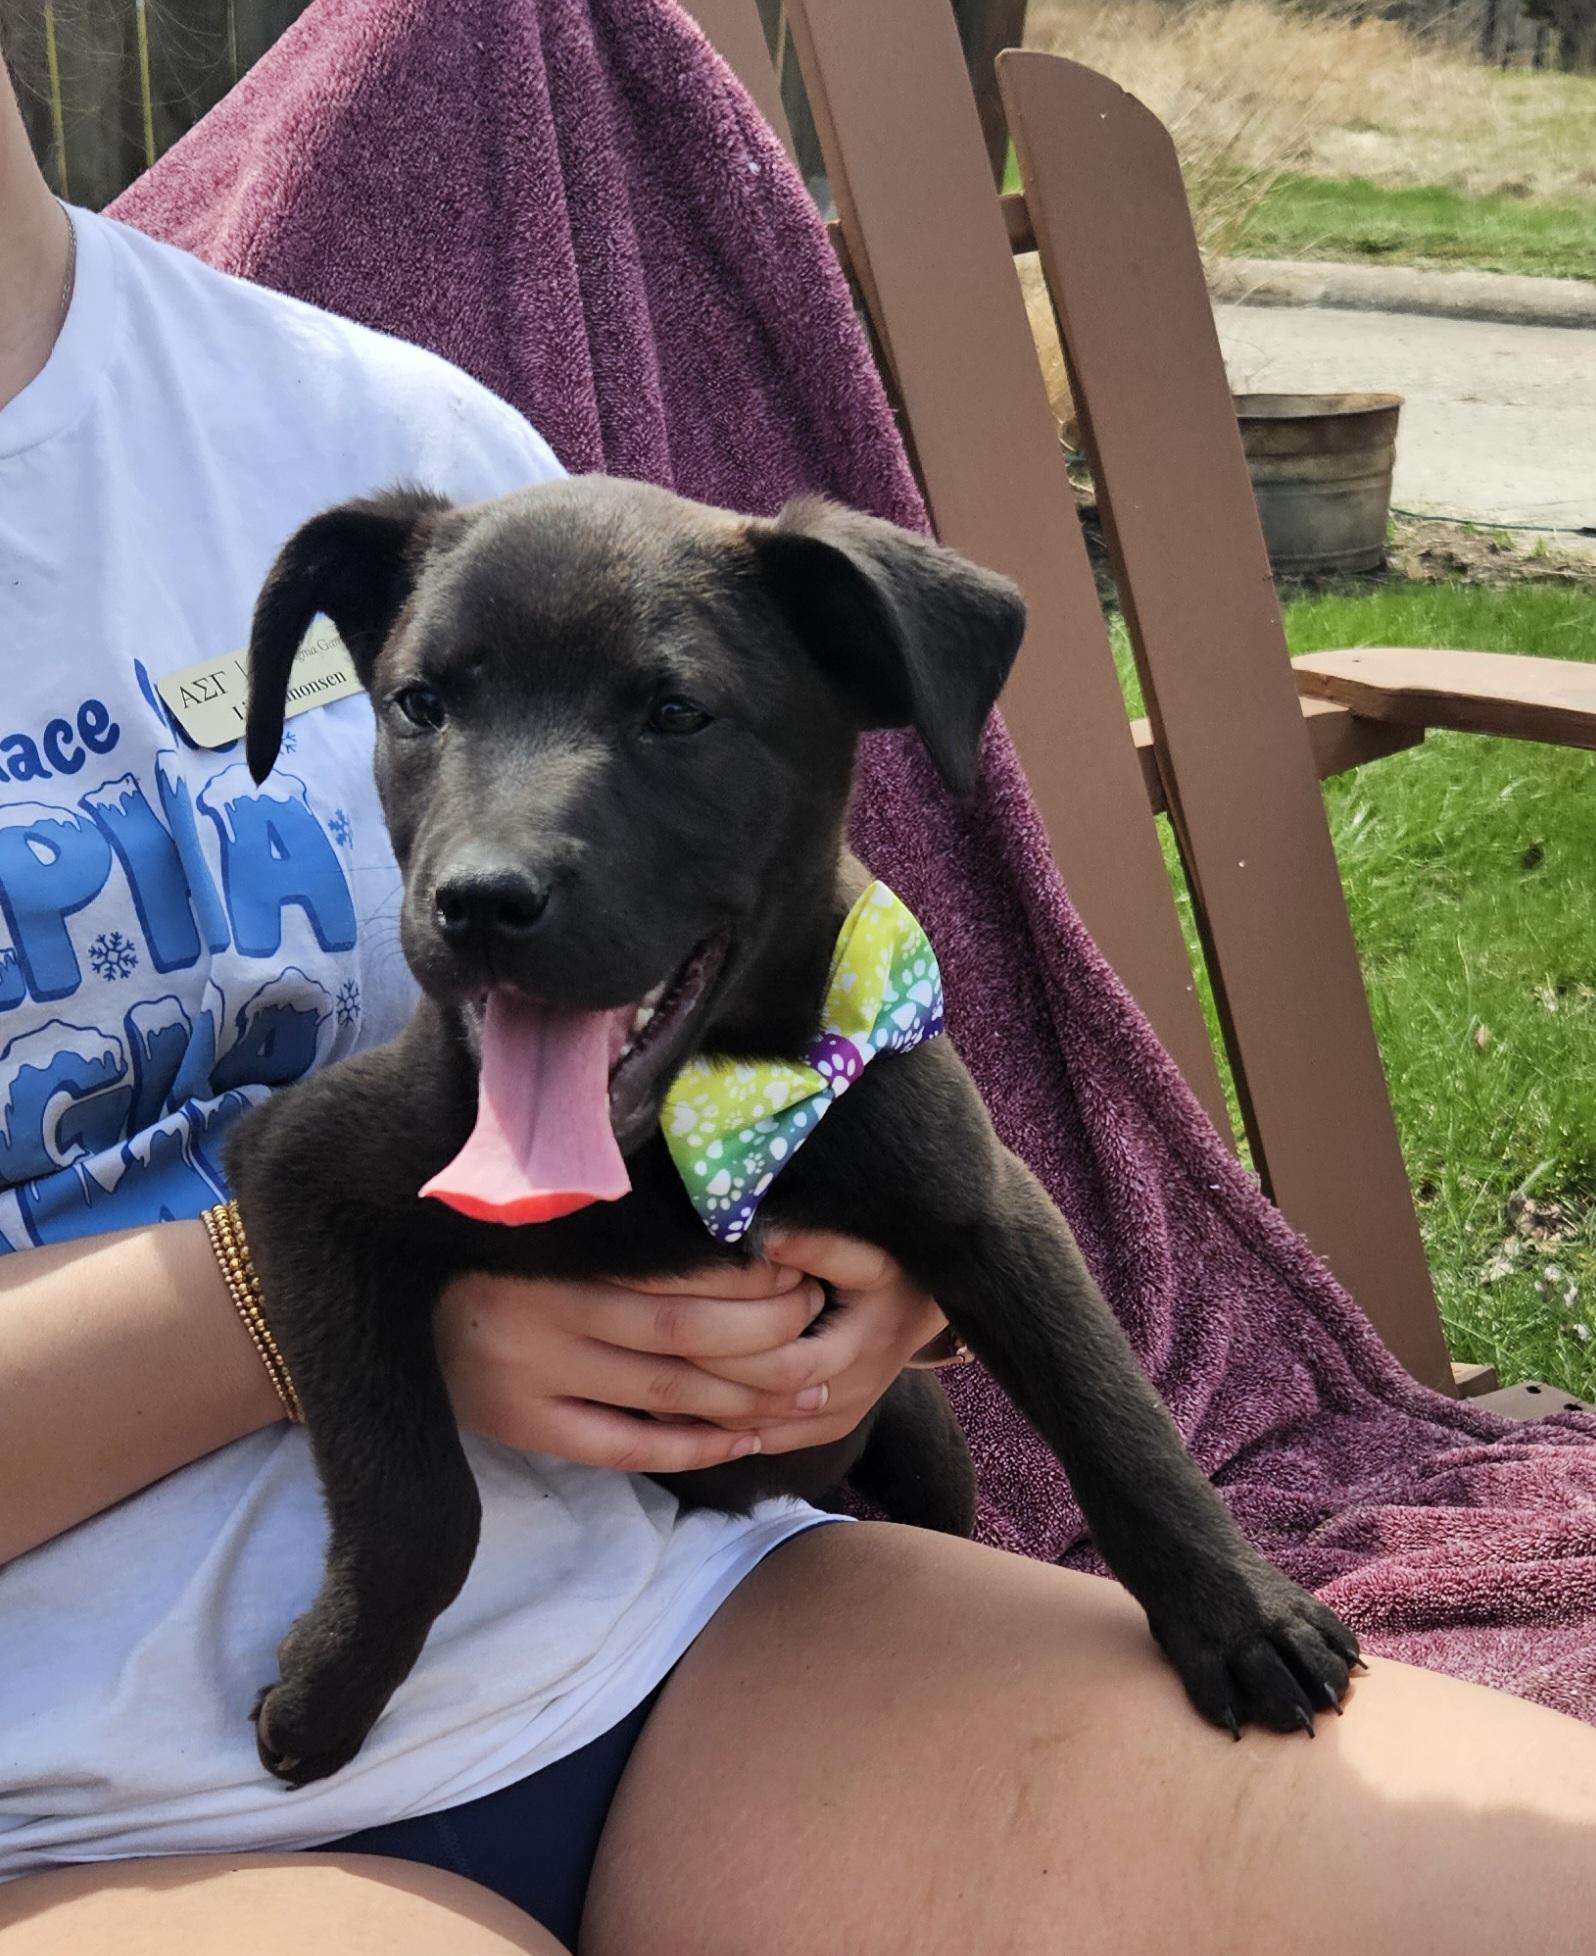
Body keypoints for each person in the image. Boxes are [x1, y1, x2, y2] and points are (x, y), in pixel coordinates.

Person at [3, 56, 1596, 1956]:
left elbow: (874, 1088)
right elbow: (331, 1181)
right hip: (88, 1801)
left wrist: (879, 1294)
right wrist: (311, 1321)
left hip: (693, 1623)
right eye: (426, 717)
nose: (493, 842)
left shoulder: (374, 428)